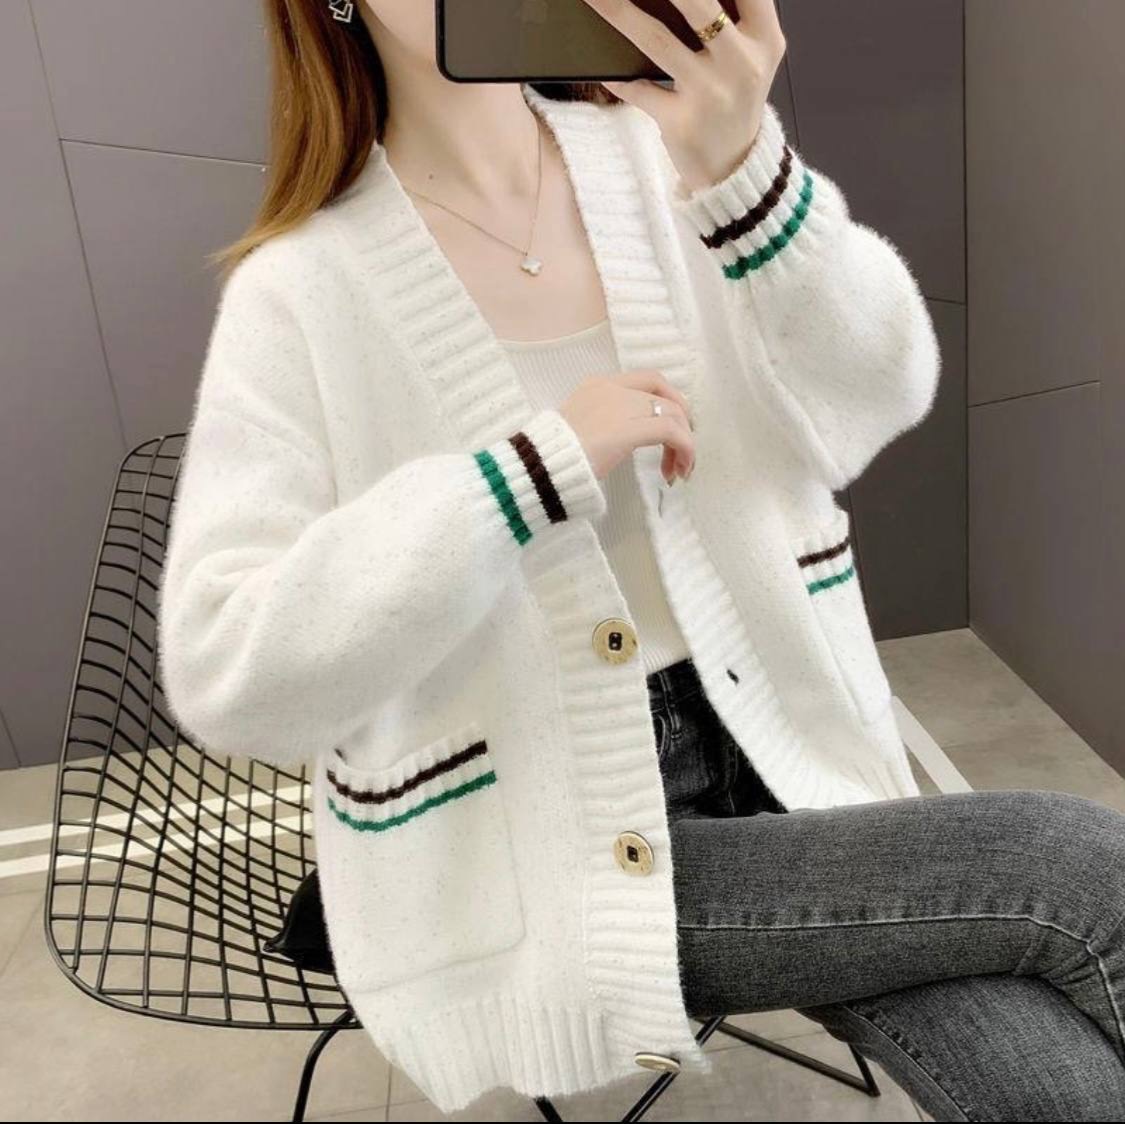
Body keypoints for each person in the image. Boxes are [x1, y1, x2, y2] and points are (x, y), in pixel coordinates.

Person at [156, 1, 1125, 1119]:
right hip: (550, 843)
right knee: (1082, 869)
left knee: (1057, 1086)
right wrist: (526, 473)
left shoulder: (675, 157)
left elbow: (880, 394)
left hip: (787, 736)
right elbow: (227, 669)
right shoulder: (302, 289)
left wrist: (744, 172)